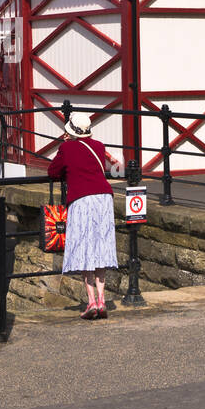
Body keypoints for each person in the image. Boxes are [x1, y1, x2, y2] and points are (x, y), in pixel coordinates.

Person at [48, 112, 123, 319]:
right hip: (104, 198)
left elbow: (53, 172)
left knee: (84, 247)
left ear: (69, 130)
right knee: (100, 246)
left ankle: (91, 302)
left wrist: (63, 149)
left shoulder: (66, 148)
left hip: (82, 199)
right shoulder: (98, 146)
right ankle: (102, 300)